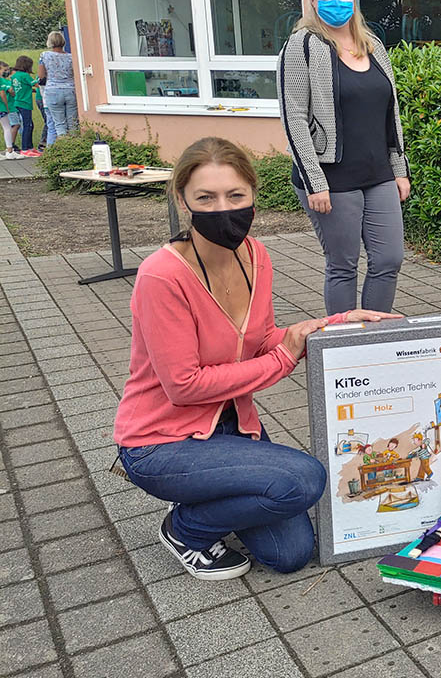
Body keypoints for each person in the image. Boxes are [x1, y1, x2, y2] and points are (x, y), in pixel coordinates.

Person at [113, 137, 399, 581]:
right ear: (182, 200)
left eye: (235, 196)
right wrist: (284, 359)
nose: (223, 209)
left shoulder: (255, 256)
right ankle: (184, 528)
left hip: (233, 424)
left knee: (290, 553)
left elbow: (264, 338)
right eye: (205, 198)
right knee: (303, 480)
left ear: (253, 195)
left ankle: (206, 491)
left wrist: (338, 323)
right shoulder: (161, 276)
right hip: (161, 440)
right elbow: (184, 386)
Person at [278, 0, 411, 316]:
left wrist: (400, 168)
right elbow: (294, 118)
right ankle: (343, 344)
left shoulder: (373, 46)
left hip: (377, 172)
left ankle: (374, 335)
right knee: (343, 264)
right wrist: (313, 180)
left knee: (388, 259)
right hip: (331, 177)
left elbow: (390, 113)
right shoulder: (302, 46)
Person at [39, 31, 78, 145]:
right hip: (70, 90)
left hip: (53, 91)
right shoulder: (71, 57)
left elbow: (41, 75)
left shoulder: (44, 55)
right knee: (73, 124)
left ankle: (64, 151)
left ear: (50, 42)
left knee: (59, 125)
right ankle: (75, 148)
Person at [10, 56, 38, 156]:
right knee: (27, 125)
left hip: (17, 102)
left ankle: (30, 147)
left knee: (29, 124)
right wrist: (40, 79)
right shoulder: (25, 75)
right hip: (25, 103)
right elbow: (34, 83)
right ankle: (25, 148)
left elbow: (17, 88)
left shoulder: (14, 76)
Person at [0, 63, 20, 159]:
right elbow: (3, 93)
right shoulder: (1, 81)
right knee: (7, 127)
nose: (6, 72)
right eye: (4, 70)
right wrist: (6, 106)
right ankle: (9, 150)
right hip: (1, 107)